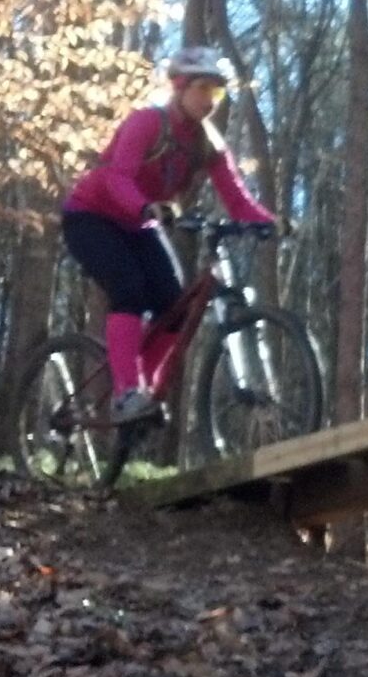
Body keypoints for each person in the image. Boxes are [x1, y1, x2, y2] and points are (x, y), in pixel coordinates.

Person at [61, 45, 278, 423]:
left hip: (139, 222)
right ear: (179, 87)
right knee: (129, 288)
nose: (210, 100)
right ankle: (127, 392)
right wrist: (146, 207)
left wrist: (268, 222)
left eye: (217, 92)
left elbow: (236, 197)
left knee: (173, 306)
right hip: (90, 216)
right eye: (203, 89)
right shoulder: (147, 122)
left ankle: (140, 389)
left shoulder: (208, 143)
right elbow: (116, 176)